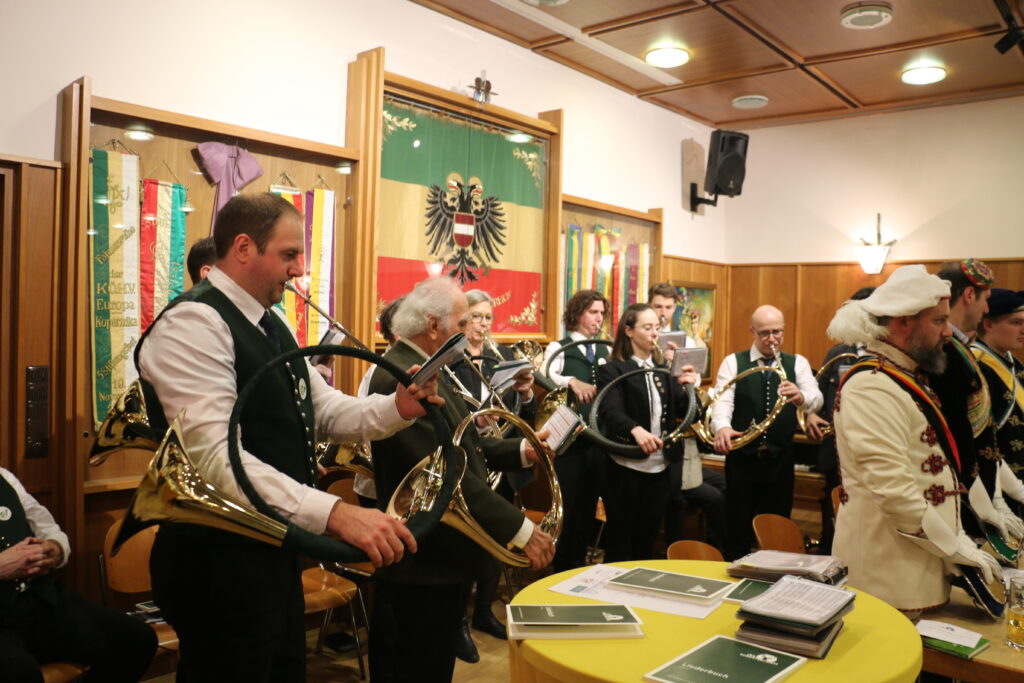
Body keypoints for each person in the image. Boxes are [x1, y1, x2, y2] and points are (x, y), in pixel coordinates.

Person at [136, 193, 438, 682]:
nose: (299, 270)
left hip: (271, 553)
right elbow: (217, 459)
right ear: (243, 248)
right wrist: (337, 514)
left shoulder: (268, 321)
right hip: (218, 566)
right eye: (289, 254)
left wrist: (397, 408)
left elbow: (321, 408)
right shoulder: (193, 322)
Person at [367, 276, 554, 683]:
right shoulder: (401, 374)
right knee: (416, 668)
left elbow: (463, 444)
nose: (469, 332)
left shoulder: (425, 366)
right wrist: (522, 530)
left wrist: (521, 450)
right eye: (462, 322)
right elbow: (444, 473)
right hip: (423, 562)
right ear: (434, 326)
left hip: (439, 559)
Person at [828, 264, 1001, 613]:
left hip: (916, 569)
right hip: (886, 577)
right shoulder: (871, 386)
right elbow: (895, 492)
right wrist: (954, 546)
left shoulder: (899, 377)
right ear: (904, 322)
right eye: (939, 321)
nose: (948, 332)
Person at [0, 467, 157, 682]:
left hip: (40, 602)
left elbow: (47, 527)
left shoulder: (5, 478)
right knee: (20, 672)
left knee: (136, 638)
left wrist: (55, 548)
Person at [447, 289, 537, 661]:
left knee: (497, 544)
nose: (482, 325)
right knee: (466, 546)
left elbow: (523, 416)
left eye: (487, 317)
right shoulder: (452, 361)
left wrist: (526, 394)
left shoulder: (503, 358)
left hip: (503, 463)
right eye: (475, 317)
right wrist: (479, 422)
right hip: (470, 464)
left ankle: (484, 610)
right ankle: (457, 624)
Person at [710, 304, 823, 560]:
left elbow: (816, 399)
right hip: (742, 459)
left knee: (777, 527)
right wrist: (723, 427)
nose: (772, 339)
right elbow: (722, 401)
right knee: (737, 529)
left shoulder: (798, 363)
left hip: (779, 460)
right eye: (764, 333)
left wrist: (801, 397)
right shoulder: (733, 362)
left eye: (777, 332)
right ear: (752, 331)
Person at [596, 303, 700, 561]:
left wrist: (690, 387)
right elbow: (610, 410)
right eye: (647, 328)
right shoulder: (612, 369)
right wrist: (635, 429)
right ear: (629, 331)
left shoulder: (665, 369)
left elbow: (691, 413)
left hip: (661, 468)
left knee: (647, 541)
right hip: (625, 466)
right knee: (620, 544)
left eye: (657, 328)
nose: (655, 333)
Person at [929, 260, 1023, 544]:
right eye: (985, 300)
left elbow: (984, 437)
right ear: (969, 295)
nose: (985, 310)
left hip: (983, 492)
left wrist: (1000, 498)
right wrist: (988, 503)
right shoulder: (947, 353)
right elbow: (959, 438)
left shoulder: (962, 349)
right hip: (963, 501)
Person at [648, 282, 726, 552]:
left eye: (668, 307)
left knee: (679, 499)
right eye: (658, 306)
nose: (663, 312)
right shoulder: (645, 340)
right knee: (664, 500)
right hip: (652, 429)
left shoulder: (686, 341)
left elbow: (694, 385)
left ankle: (696, 550)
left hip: (679, 426)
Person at [544, 289, 609, 570]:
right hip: (569, 443)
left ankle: (580, 564)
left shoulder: (606, 348)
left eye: (602, 313)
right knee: (567, 507)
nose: (599, 318)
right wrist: (570, 380)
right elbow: (544, 375)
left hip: (599, 441)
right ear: (577, 314)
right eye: (593, 312)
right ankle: (560, 565)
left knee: (587, 508)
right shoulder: (559, 347)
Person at [813, 286, 874, 553]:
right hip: (836, 451)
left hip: (872, 451)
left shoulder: (888, 354)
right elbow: (820, 395)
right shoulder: (836, 353)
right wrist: (811, 414)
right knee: (834, 518)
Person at [973, 289, 1024, 518]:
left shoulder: (1013, 362)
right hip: (1000, 488)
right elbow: (981, 438)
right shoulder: (978, 365)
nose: (1023, 329)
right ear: (988, 325)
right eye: (1015, 322)